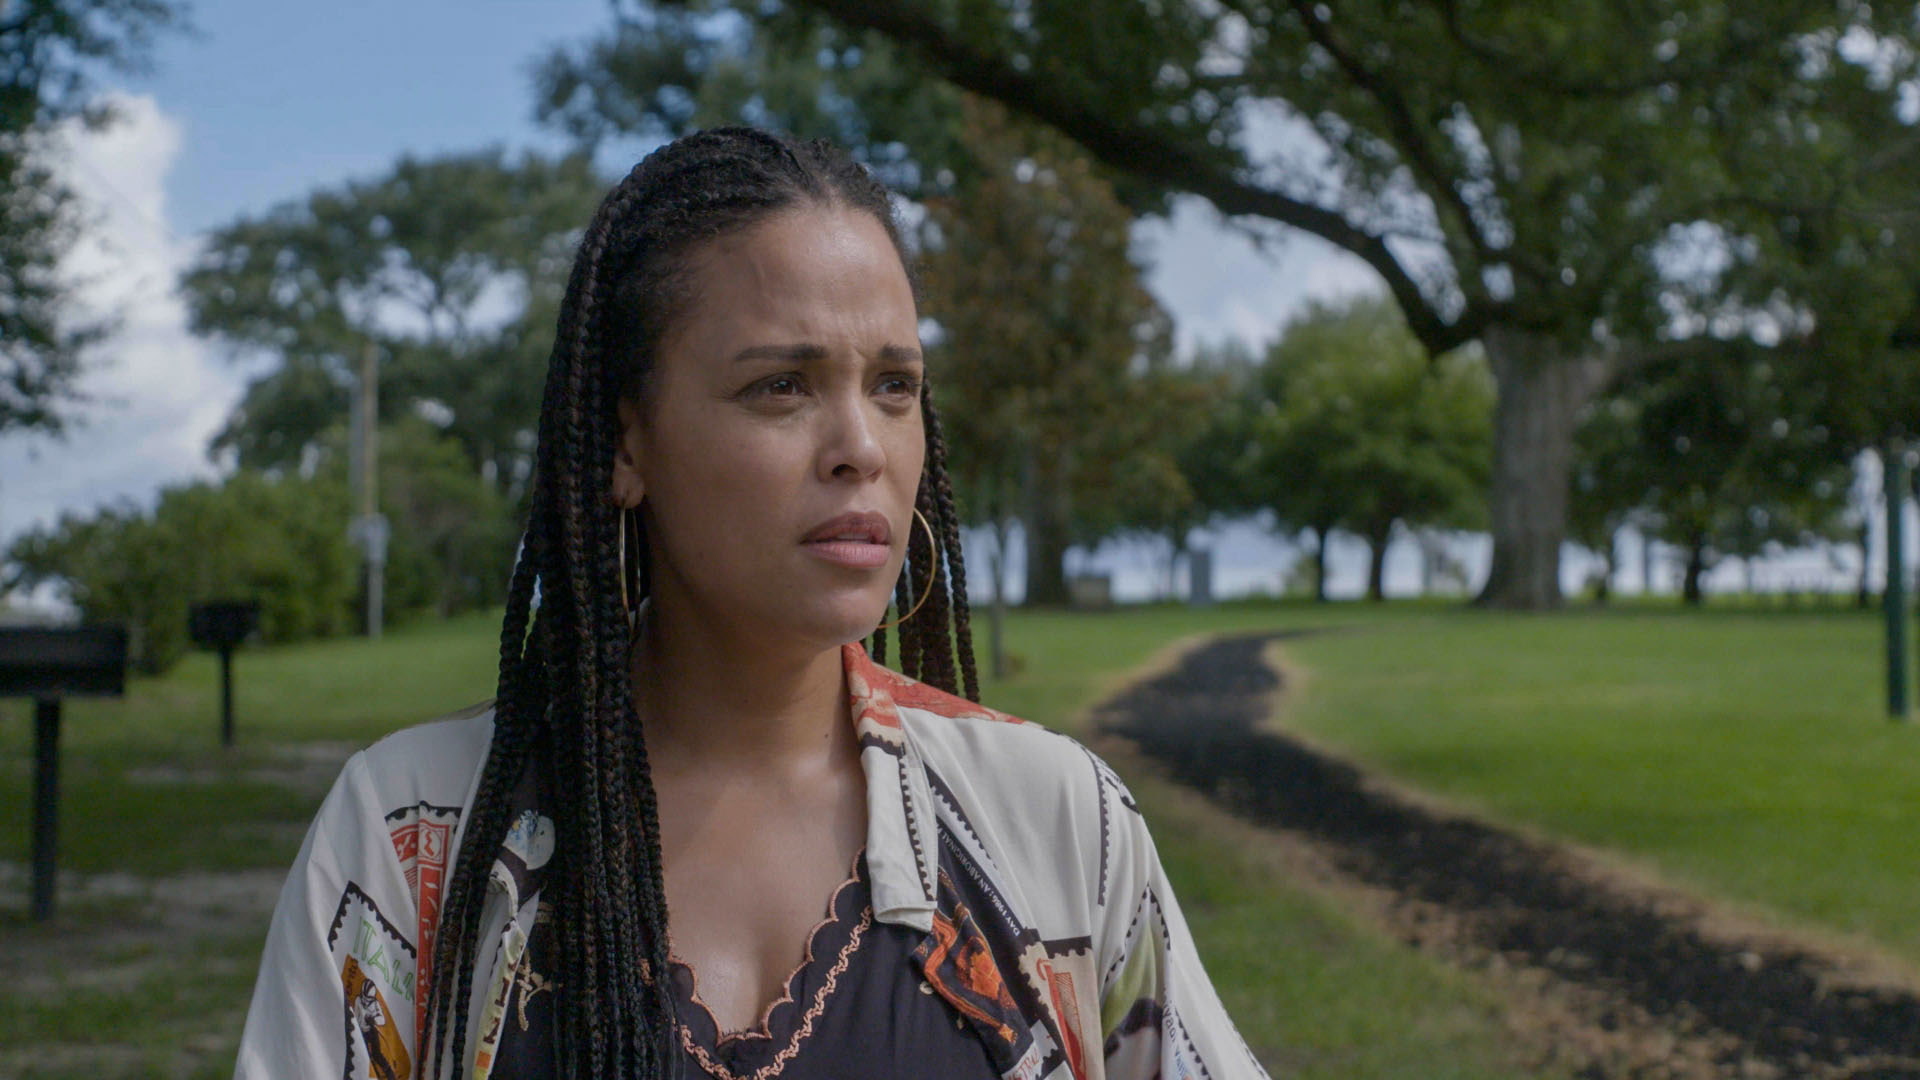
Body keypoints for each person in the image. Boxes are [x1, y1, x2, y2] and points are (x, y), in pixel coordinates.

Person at [234, 126, 1267, 1080]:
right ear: (626, 442)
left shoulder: (1055, 821)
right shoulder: (414, 834)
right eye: (782, 386)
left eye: (895, 386)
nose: (861, 445)